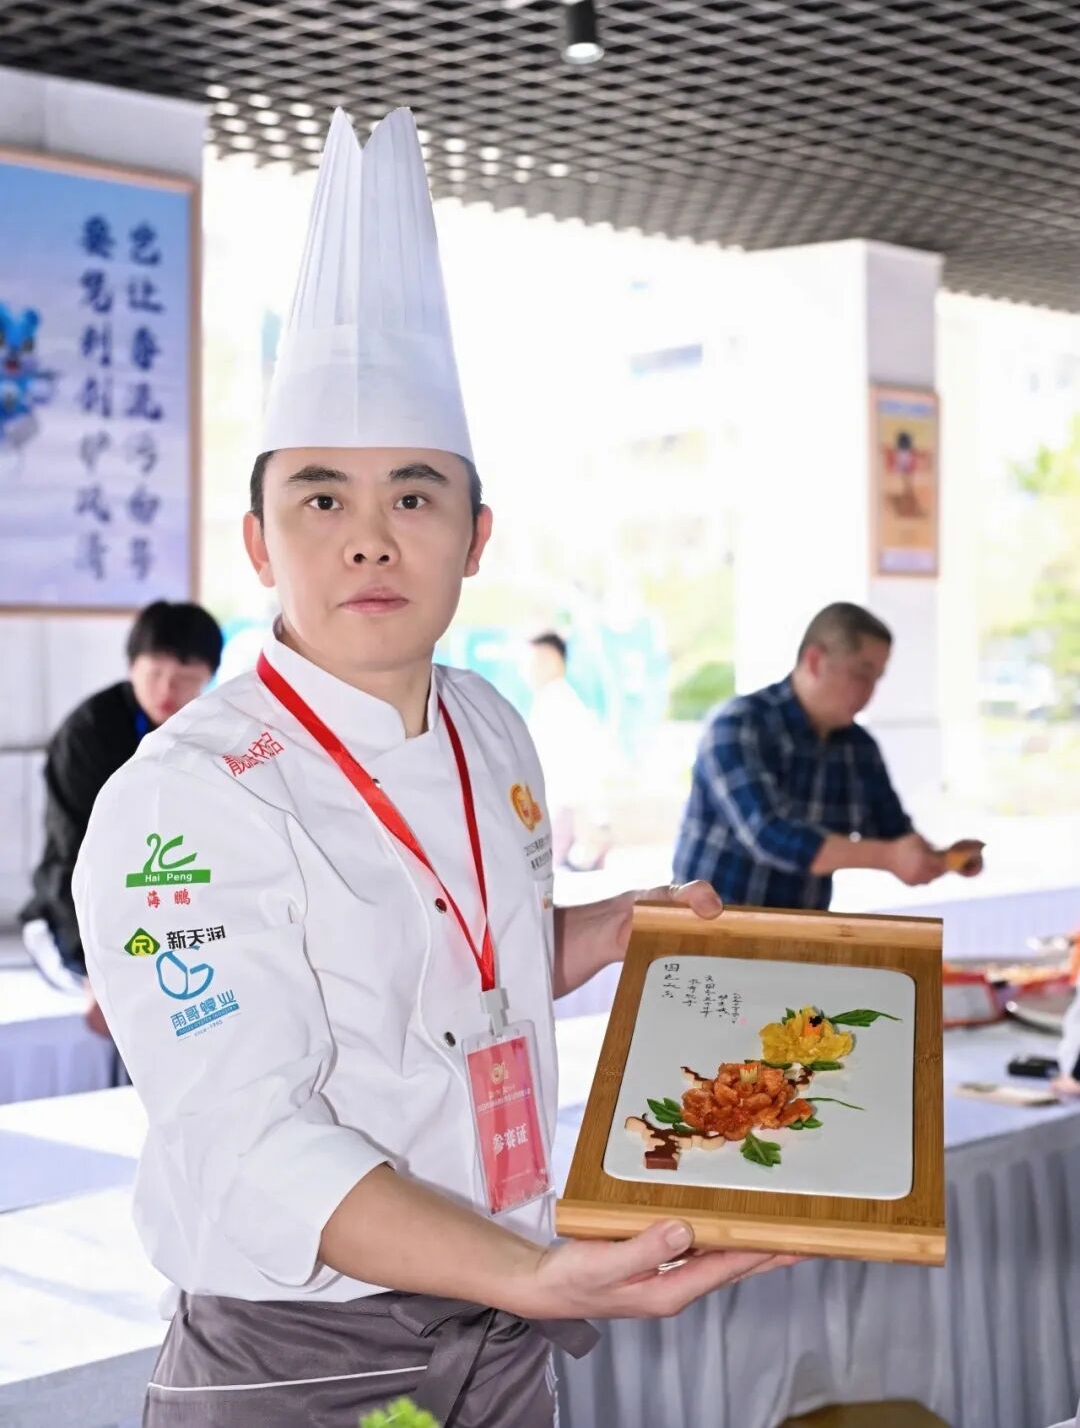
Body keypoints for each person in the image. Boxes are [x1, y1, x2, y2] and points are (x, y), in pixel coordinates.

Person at [73, 109, 795, 1428]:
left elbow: (460, 974)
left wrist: (606, 931)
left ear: (476, 535)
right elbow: (246, 1139)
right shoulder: (184, 795)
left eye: (413, 497)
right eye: (322, 499)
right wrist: (536, 1273)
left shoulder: (489, 725)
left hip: (505, 1326)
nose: (369, 540)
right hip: (302, 1357)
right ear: (258, 540)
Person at [673, 601, 983, 912]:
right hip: (709, 928)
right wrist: (889, 857)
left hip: (801, 932)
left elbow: (895, 834)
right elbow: (770, 835)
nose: (870, 692)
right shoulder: (739, 724)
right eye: (861, 674)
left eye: (877, 678)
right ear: (815, 661)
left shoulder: (859, 748)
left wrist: (944, 859)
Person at [21, 600, 223, 992]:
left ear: (208, 678)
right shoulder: (88, 734)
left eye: (186, 678)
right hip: (73, 911)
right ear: (132, 666)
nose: (167, 689)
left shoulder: (209, 729)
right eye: (155, 672)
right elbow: (75, 856)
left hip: (162, 906)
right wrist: (90, 965)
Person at [528, 631, 613, 870]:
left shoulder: (556, 701)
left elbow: (565, 766)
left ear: (555, 660)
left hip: (564, 808)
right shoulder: (556, 697)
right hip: (566, 809)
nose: (530, 670)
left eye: (537, 661)